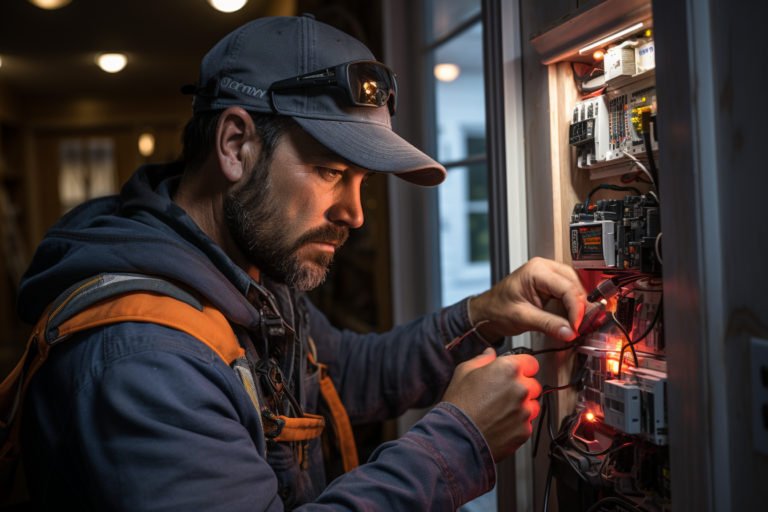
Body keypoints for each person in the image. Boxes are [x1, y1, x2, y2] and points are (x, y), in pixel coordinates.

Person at [16, 14, 586, 511]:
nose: (354, 214)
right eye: (331, 172)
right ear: (235, 144)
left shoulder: (246, 274)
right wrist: (456, 445)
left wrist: (483, 315)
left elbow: (347, 372)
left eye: (361, 181)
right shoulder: (145, 361)